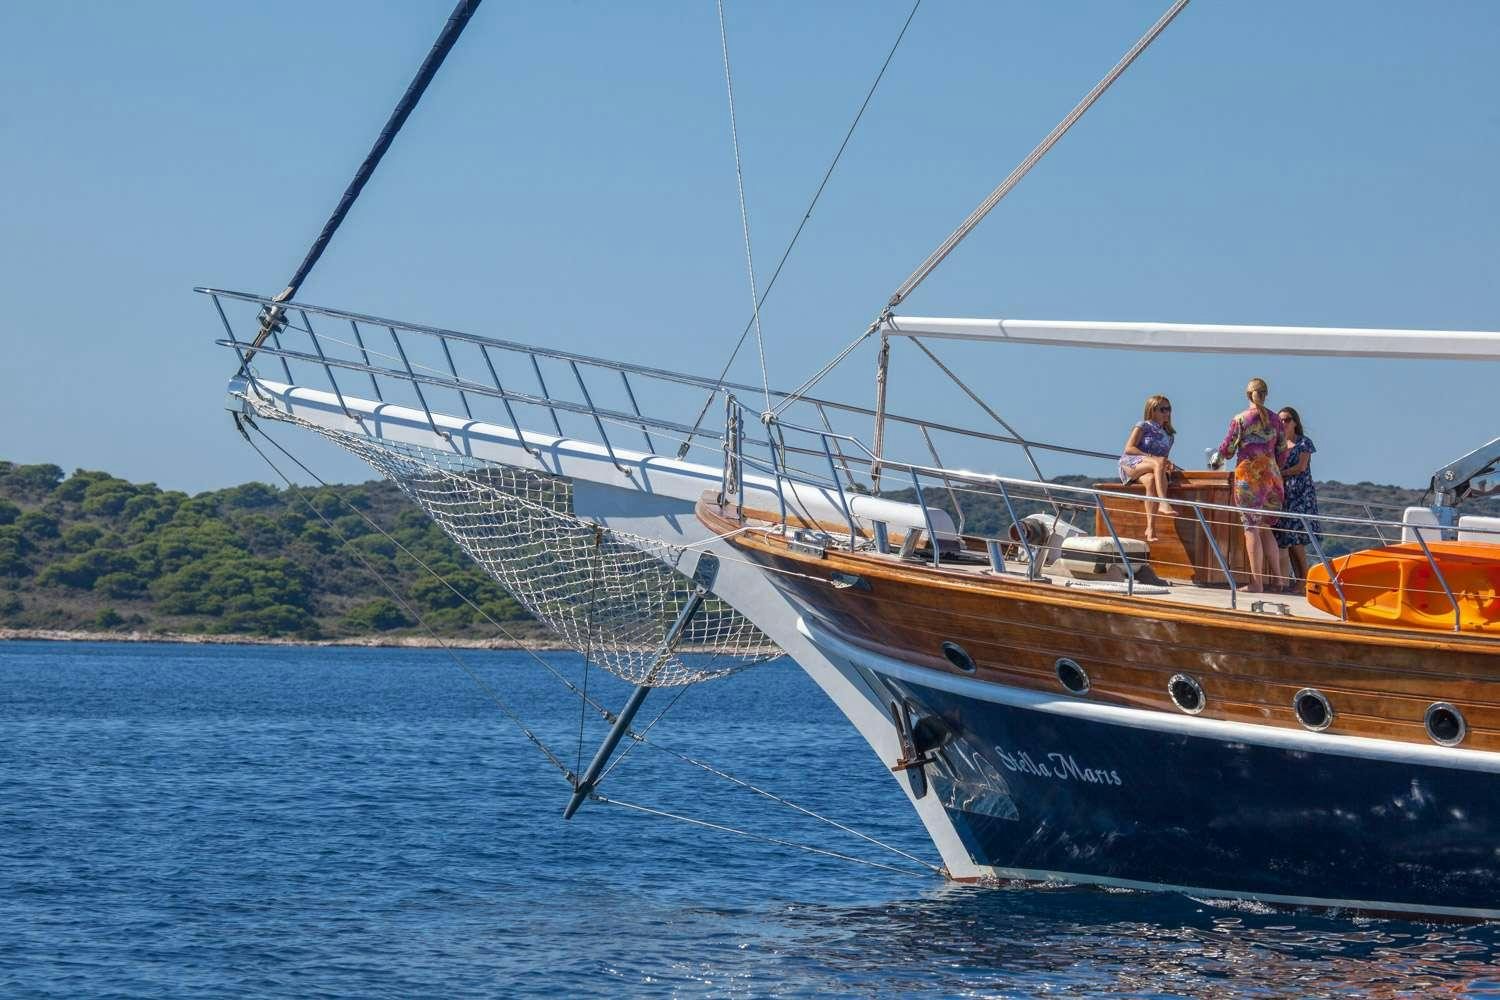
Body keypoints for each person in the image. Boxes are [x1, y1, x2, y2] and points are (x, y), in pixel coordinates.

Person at [1211, 377, 1288, 593]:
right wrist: (1273, 467)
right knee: (1266, 527)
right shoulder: (1276, 420)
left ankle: (1257, 583)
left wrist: (1215, 460)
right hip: (1272, 477)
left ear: (1248, 395)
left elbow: (1226, 450)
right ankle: (1280, 580)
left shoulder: (1240, 419)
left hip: (1250, 478)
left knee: (1251, 528)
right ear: (1265, 394)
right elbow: (1283, 450)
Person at [1118, 394, 1179, 543]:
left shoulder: (1169, 436)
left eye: (1168, 409)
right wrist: (1152, 457)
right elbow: (1129, 448)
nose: (1167, 412)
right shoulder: (1143, 426)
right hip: (1131, 463)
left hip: (1150, 468)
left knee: (1152, 479)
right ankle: (1164, 503)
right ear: (1152, 410)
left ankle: (1150, 528)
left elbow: (1162, 459)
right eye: (1162, 409)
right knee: (1157, 462)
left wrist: (1166, 463)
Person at [1273, 406, 1320, 590]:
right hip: (1284, 494)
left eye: (1287, 419)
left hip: (1300, 495)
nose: (1283, 423)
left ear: (1295, 422)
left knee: (1297, 539)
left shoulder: (1303, 443)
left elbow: (1301, 467)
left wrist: (1279, 473)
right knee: (1288, 539)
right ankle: (1299, 579)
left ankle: (1304, 580)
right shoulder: (1279, 444)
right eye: (1281, 420)